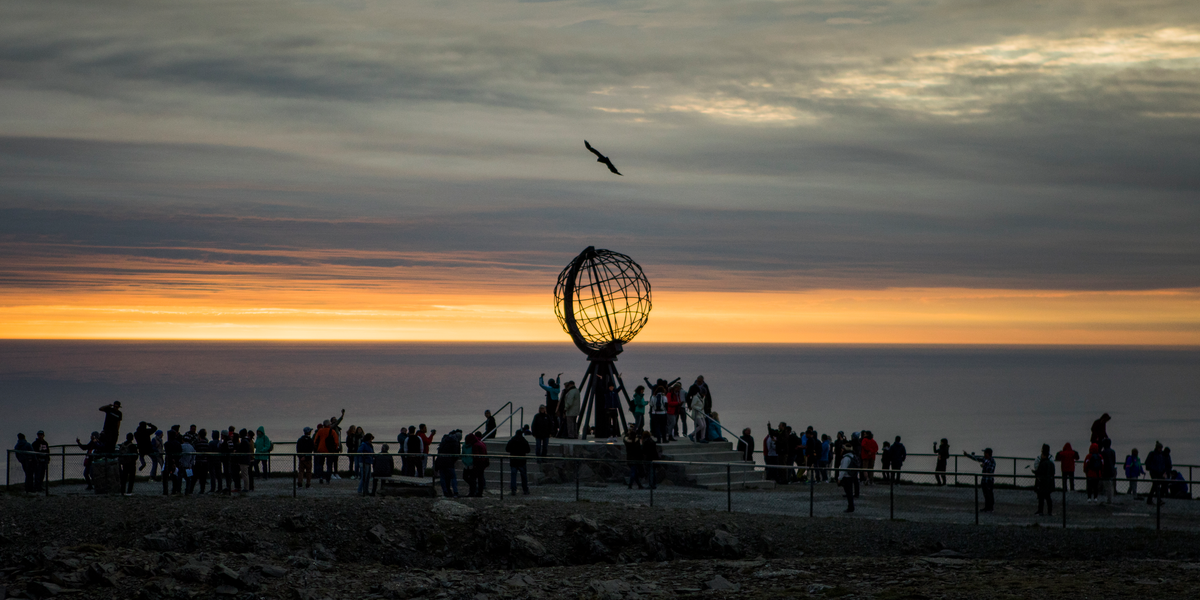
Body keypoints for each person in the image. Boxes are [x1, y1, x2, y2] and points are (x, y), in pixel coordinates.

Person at [964, 448, 996, 512]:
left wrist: (984, 466)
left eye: (985, 453)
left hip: (989, 481)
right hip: (984, 480)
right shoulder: (984, 459)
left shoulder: (992, 461)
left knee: (989, 494)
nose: (984, 454)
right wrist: (968, 455)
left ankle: (990, 507)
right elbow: (976, 458)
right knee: (985, 494)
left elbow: (990, 470)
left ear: (988, 454)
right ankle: (986, 507)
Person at [435, 431, 461, 498]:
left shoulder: (444, 441)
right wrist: (453, 460)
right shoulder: (455, 443)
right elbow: (456, 454)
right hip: (449, 462)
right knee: (453, 477)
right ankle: (455, 492)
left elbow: (439, 451)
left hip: (441, 461)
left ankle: (445, 491)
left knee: (443, 477)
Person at [505, 429, 531, 495]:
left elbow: (507, 449)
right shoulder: (524, 440)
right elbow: (528, 450)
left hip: (513, 461)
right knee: (523, 476)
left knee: (513, 476)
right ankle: (525, 489)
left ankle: (513, 489)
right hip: (522, 460)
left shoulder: (512, 440)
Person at [1033, 444, 1055, 516]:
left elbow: (1039, 470)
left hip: (1042, 481)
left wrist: (1036, 472)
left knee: (1041, 497)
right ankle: (1049, 511)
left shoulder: (1041, 462)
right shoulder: (1051, 461)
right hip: (1049, 481)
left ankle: (1040, 511)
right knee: (1048, 497)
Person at [162, 430, 183, 495]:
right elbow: (180, 452)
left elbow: (167, 452)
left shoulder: (166, 444)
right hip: (176, 461)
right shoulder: (178, 443)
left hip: (168, 461)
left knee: (165, 477)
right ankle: (175, 490)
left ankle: (165, 491)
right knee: (175, 476)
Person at [838, 447, 856, 513]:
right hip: (851, 476)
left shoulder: (845, 458)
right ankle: (851, 506)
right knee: (850, 492)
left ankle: (850, 507)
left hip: (846, 477)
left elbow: (843, 469)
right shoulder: (852, 456)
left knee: (848, 493)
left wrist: (839, 478)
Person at [1100, 438, 1117, 504]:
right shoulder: (1113, 452)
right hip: (1111, 469)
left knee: (1107, 485)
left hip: (1106, 470)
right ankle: (1110, 498)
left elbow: (1102, 462)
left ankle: (1109, 499)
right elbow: (1114, 461)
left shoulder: (1103, 452)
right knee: (1110, 484)